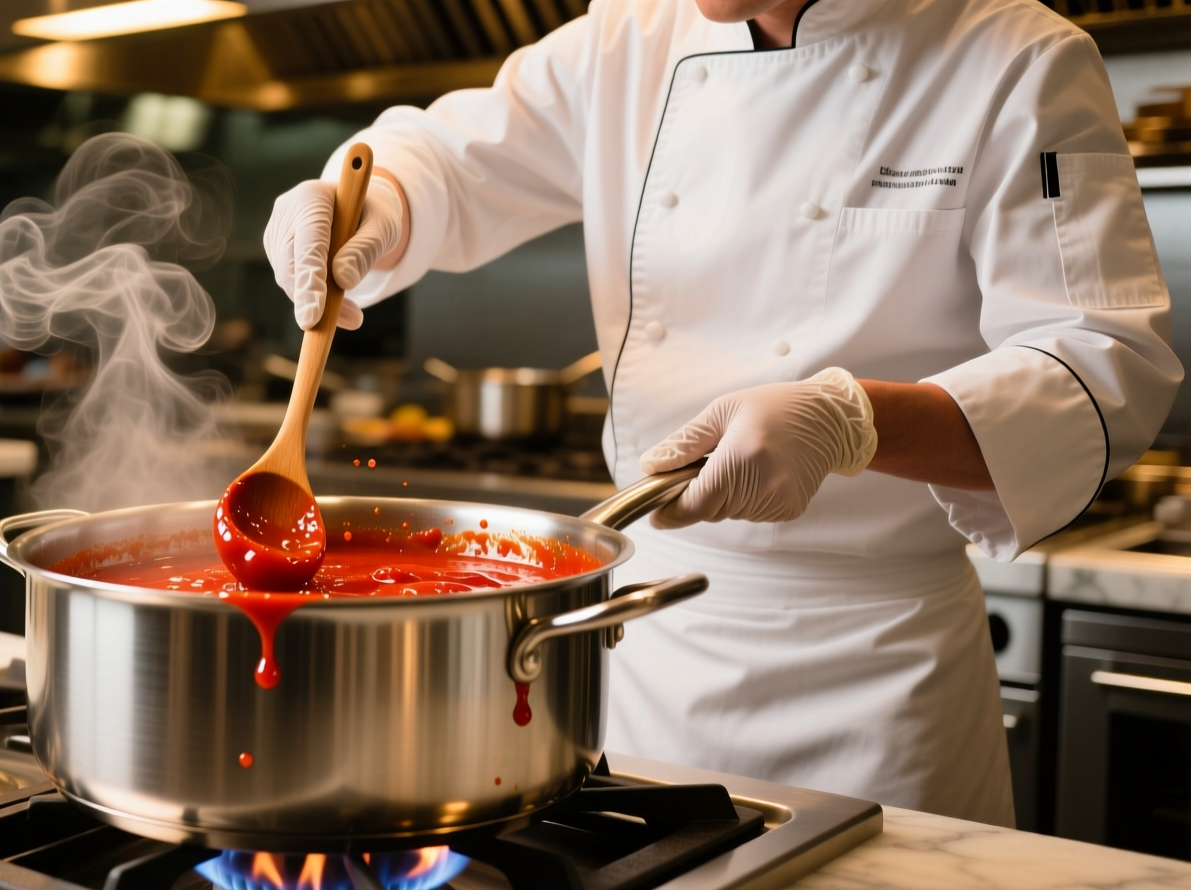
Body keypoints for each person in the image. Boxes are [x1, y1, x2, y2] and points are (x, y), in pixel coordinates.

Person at [261, 0, 1182, 825]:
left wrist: (853, 422)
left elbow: (1105, 365)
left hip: (879, 676)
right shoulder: (630, 36)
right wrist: (374, 204)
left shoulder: (1016, 57)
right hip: (647, 656)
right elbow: (447, 162)